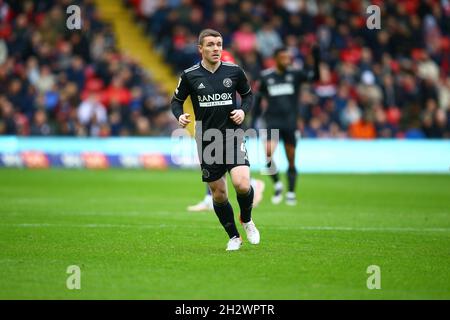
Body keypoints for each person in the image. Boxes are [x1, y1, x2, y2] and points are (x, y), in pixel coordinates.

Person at [171, 29, 259, 251]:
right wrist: (179, 115)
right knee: (218, 194)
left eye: (219, 44)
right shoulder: (190, 75)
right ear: (200, 49)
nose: (216, 48)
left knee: (241, 183)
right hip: (207, 140)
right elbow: (176, 101)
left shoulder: (234, 71)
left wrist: (243, 111)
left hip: (232, 134)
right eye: (210, 45)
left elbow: (248, 95)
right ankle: (234, 237)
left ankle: (247, 219)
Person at [187, 49, 265, 212]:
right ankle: (209, 198)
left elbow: (244, 94)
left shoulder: (229, 69)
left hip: (230, 123)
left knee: (227, 163)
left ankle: (252, 184)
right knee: (213, 165)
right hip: (215, 124)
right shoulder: (206, 68)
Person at [253, 46, 320, 205]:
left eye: (288, 57)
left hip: (290, 122)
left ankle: (291, 192)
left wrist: (316, 60)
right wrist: (251, 122)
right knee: (268, 154)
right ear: (276, 58)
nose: (286, 60)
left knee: (291, 159)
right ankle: (277, 184)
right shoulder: (265, 76)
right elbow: (258, 99)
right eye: (283, 57)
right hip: (272, 122)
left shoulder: (295, 74)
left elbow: (315, 77)